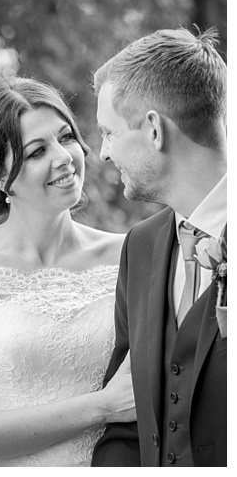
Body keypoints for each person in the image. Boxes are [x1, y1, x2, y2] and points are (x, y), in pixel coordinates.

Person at [0, 76, 136, 467]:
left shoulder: (131, 254)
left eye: (66, 137)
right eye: (36, 152)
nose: (64, 157)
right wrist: (103, 406)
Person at [91, 27, 227, 467]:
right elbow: (127, 424)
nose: (102, 154)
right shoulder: (142, 247)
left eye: (108, 133)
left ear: (153, 130)